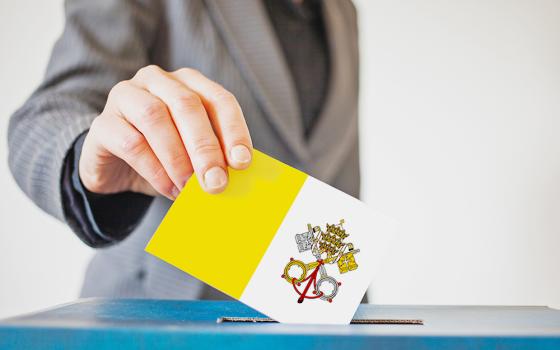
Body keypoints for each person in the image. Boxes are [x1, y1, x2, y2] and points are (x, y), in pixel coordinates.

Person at [8, 0, 360, 300]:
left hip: (311, 312)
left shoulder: (341, 11)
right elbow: (44, 118)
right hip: (158, 316)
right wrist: (86, 154)